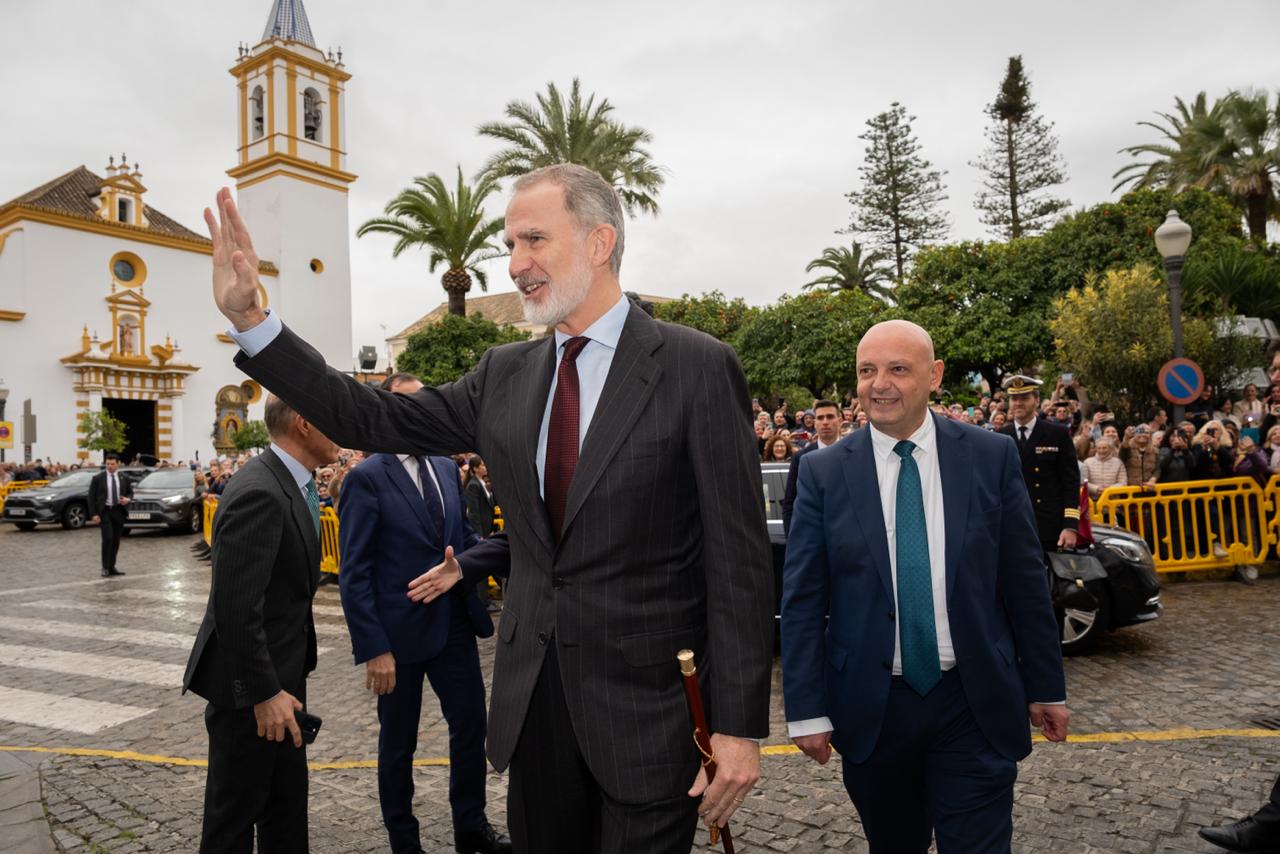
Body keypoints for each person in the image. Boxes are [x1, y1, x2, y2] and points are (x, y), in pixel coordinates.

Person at [205, 163, 774, 853]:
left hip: (650, 713)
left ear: (599, 242)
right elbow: (372, 418)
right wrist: (254, 323)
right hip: (534, 713)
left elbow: (738, 563)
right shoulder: (505, 374)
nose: (515, 265)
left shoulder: (695, 366)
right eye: (509, 245)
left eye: (533, 240)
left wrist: (739, 729)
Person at [781, 320, 1067, 853]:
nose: (878, 384)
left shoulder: (991, 456)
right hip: (873, 707)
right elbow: (802, 601)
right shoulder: (821, 472)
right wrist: (806, 708)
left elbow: (1024, 580)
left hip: (973, 701)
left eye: (897, 369)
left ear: (934, 376)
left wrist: (1047, 685)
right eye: (867, 371)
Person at [337, 373, 510, 854]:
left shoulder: (444, 466)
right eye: (406, 405)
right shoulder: (367, 478)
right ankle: (403, 840)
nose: (419, 414)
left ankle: (471, 828)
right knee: (399, 745)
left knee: (472, 725)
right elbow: (355, 573)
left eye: (424, 405)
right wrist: (375, 648)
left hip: (454, 625)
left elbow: (465, 540)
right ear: (387, 409)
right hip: (398, 639)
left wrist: (487, 559)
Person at [182, 395, 339, 853]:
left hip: (281, 676)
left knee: (285, 808)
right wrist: (264, 693)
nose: (343, 432)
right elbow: (235, 607)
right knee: (234, 820)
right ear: (305, 423)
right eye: (334, 419)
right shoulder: (259, 490)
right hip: (249, 691)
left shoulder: (292, 483)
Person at [997, 375, 1080, 552]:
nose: (1018, 403)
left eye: (1024, 398)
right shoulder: (999, 437)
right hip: (1010, 525)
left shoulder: (1057, 434)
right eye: (1014, 398)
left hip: (1048, 527)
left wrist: (1070, 525)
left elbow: (1070, 483)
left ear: (1037, 400)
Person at [781, 398, 842, 535]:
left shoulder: (854, 453)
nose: (825, 422)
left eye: (830, 417)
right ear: (815, 423)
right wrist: (792, 539)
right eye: (820, 418)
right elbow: (790, 502)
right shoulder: (801, 458)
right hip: (812, 537)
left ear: (839, 421)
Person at [88, 453, 132, 577]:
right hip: (105, 512)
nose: (110, 466)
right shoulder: (98, 478)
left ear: (118, 464)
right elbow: (91, 497)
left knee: (116, 540)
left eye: (112, 464)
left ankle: (112, 566)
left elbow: (130, 492)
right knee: (107, 539)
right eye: (108, 464)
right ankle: (105, 567)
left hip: (118, 511)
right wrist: (94, 514)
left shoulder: (124, 477)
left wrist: (127, 499)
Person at [464, 454, 498, 538]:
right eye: (482, 465)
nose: (485, 467)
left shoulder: (484, 482)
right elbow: (474, 512)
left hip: (490, 529)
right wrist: (479, 535)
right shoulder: (473, 485)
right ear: (475, 469)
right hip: (483, 531)